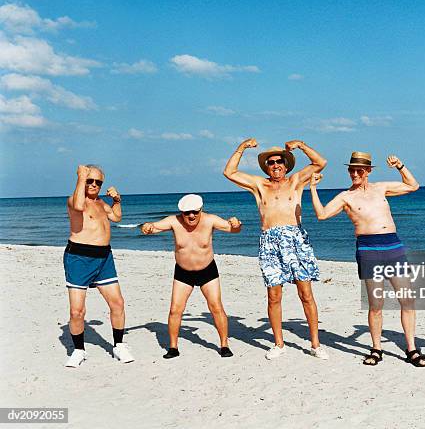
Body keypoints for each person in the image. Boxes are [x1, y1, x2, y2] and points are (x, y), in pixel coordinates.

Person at [310, 152, 425, 367]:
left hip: (393, 246)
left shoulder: (380, 188)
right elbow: (322, 214)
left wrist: (400, 166)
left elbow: (413, 186)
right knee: (376, 304)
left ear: (368, 172)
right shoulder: (346, 196)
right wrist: (313, 188)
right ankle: (376, 348)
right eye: (351, 170)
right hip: (368, 249)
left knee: (407, 301)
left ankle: (412, 349)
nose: (355, 173)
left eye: (359, 170)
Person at [223, 139, 329, 360]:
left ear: (286, 164)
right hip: (270, 241)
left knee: (306, 294)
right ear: (266, 166)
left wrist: (301, 145)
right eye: (271, 162)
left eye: (279, 161)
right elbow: (229, 172)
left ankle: (315, 344)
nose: (275, 165)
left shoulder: (296, 181)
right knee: (273, 296)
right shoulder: (260, 185)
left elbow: (320, 162)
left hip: (296, 239)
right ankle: (279, 344)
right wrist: (242, 147)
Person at [141, 194, 241, 359]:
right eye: (187, 213)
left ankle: (224, 345)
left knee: (216, 307)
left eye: (195, 212)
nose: (191, 216)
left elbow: (234, 229)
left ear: (201, 210)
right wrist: (146, 227)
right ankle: (173, 347)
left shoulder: (210, 220)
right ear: (182, 212)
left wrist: (236, 223)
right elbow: (153, 227)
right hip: (183, 272)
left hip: (207, 270)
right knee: (175, 310)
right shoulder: (174, 221)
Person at [63, 164, 134, 367]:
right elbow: (77, 206)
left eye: (98, 182)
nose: (94, 184)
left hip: (104, 258)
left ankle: (119, 345)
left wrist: (117, 200)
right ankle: (78, 350)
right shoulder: (75, 200)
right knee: (77, 311)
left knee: (117, 303)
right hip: (79, 258)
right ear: (83, 180)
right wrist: (80, 177)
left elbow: (117, 217)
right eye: (90, 180)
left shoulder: (102, 204)